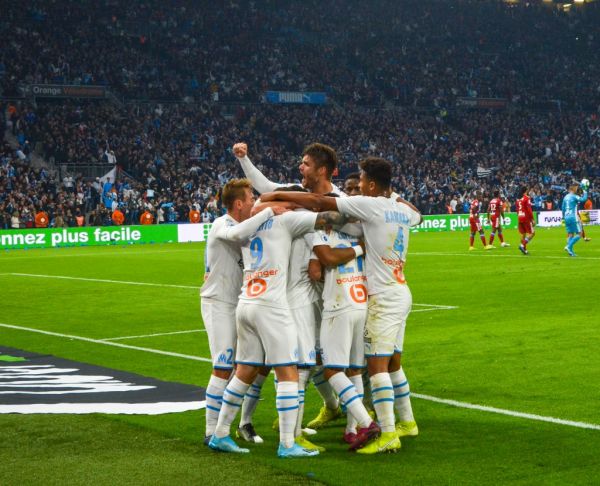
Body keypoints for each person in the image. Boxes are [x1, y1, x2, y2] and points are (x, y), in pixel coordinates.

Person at [261, 157, 423, 454]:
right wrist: (395, 196)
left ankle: (385, 433)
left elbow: (317, 200)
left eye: (360, 182)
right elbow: (419, 216)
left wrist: (276, 195)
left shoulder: (370, 205)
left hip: (381, 296)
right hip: (399, 291)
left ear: (372, 185)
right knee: (390, 362)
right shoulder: (400, 210)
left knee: (374, 368)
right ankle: (406, 422)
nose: (356, 188)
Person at [208, 198, 344, 458]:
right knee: (288, 372)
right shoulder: (286, 219)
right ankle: (287, 443)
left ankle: (220, 433)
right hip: (272, 306)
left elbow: (237, 232)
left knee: (245, 371)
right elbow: (330, 218)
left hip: (246, 303)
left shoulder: (247, 224)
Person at [234, 141, 344, 430]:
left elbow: (343, 231)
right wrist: (245, 160)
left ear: (322, 170)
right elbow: (265, 187)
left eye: (306, 164)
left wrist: (315, 257)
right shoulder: (298, 194)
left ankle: (361, 417)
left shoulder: (340, 199)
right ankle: (313, 416)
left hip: (334, 289)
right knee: (305, 355)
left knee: (334, 355)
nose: (300, 167)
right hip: (299, 289)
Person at [201, 179, 286, 446]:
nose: (254, 202)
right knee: (223, 367)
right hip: (219, 303)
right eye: (251, 199)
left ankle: (244, 423)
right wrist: (270, 211)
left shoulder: (247, 228)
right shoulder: (222, 224)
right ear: (238, 204)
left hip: (242, 302)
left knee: (255, 365)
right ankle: (211, 432)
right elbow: (237, 235)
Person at [311, 199, 380, 450]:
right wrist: (360, 248)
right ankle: (352, 430)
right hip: (360, 304)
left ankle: (365, 423)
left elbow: (318, 269)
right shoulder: (360, 234)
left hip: (338, 307)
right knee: (354, 370)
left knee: (332, 371)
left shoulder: (319, 234)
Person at [562, 183, 588, 257]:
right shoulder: (574, 196)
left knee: (570, 234)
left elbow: (563, 208)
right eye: (576, 188)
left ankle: (571, 251)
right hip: (573, 217)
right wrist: (585, 191)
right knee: (579, 234)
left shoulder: (565, 197)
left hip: (566, 217)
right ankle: (568, 246)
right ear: (573, 188)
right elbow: (583, 199)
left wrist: (563, 217)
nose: (577, 189)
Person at [516, 186, 535, 255]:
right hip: (526, 218)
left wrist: (519, 215)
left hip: (520, 217)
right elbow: (529, 210)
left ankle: (525, 250)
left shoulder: (518, 199)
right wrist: (532, 219)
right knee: (532, 233)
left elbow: (517, 210)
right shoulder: (527, 198)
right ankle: (522, 245)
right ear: (526, 190)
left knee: (523, 234)